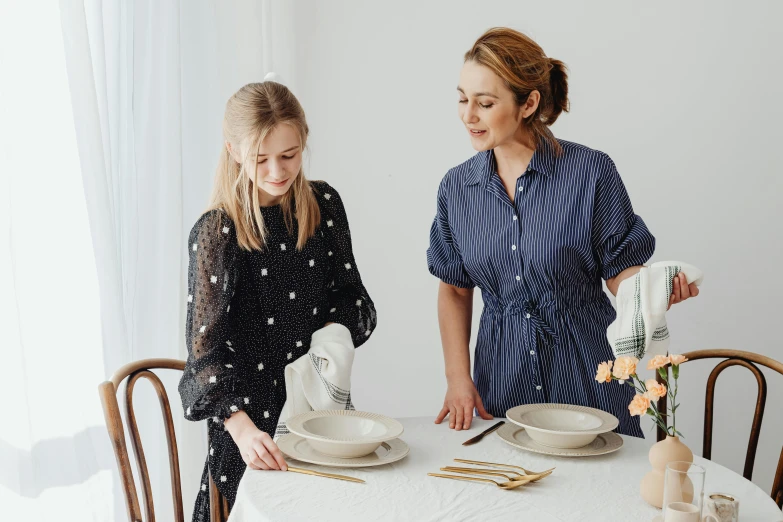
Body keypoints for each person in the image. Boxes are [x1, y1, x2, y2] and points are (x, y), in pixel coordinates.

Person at [427, 27, 698, 434]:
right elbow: (454, 288)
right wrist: (458, 379)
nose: (469, 115)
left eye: (485, 103)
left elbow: (621, 273)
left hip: (589, 376)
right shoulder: (456, 189)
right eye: (463, 99)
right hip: (502, 380)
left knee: (604, 494)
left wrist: (654, 290)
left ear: (528, 103)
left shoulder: (591, 173)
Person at [179, 79, 377, 521]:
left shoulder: (324, 205)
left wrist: (330, 339)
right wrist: (243, 430)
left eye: (289, 155)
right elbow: (203, 361)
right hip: (247, 430)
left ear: (303, 142)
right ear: (233, 151)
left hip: (316, 417)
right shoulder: (218, 232)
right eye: (260, 159)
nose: (276, 171)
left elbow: (353, 301)